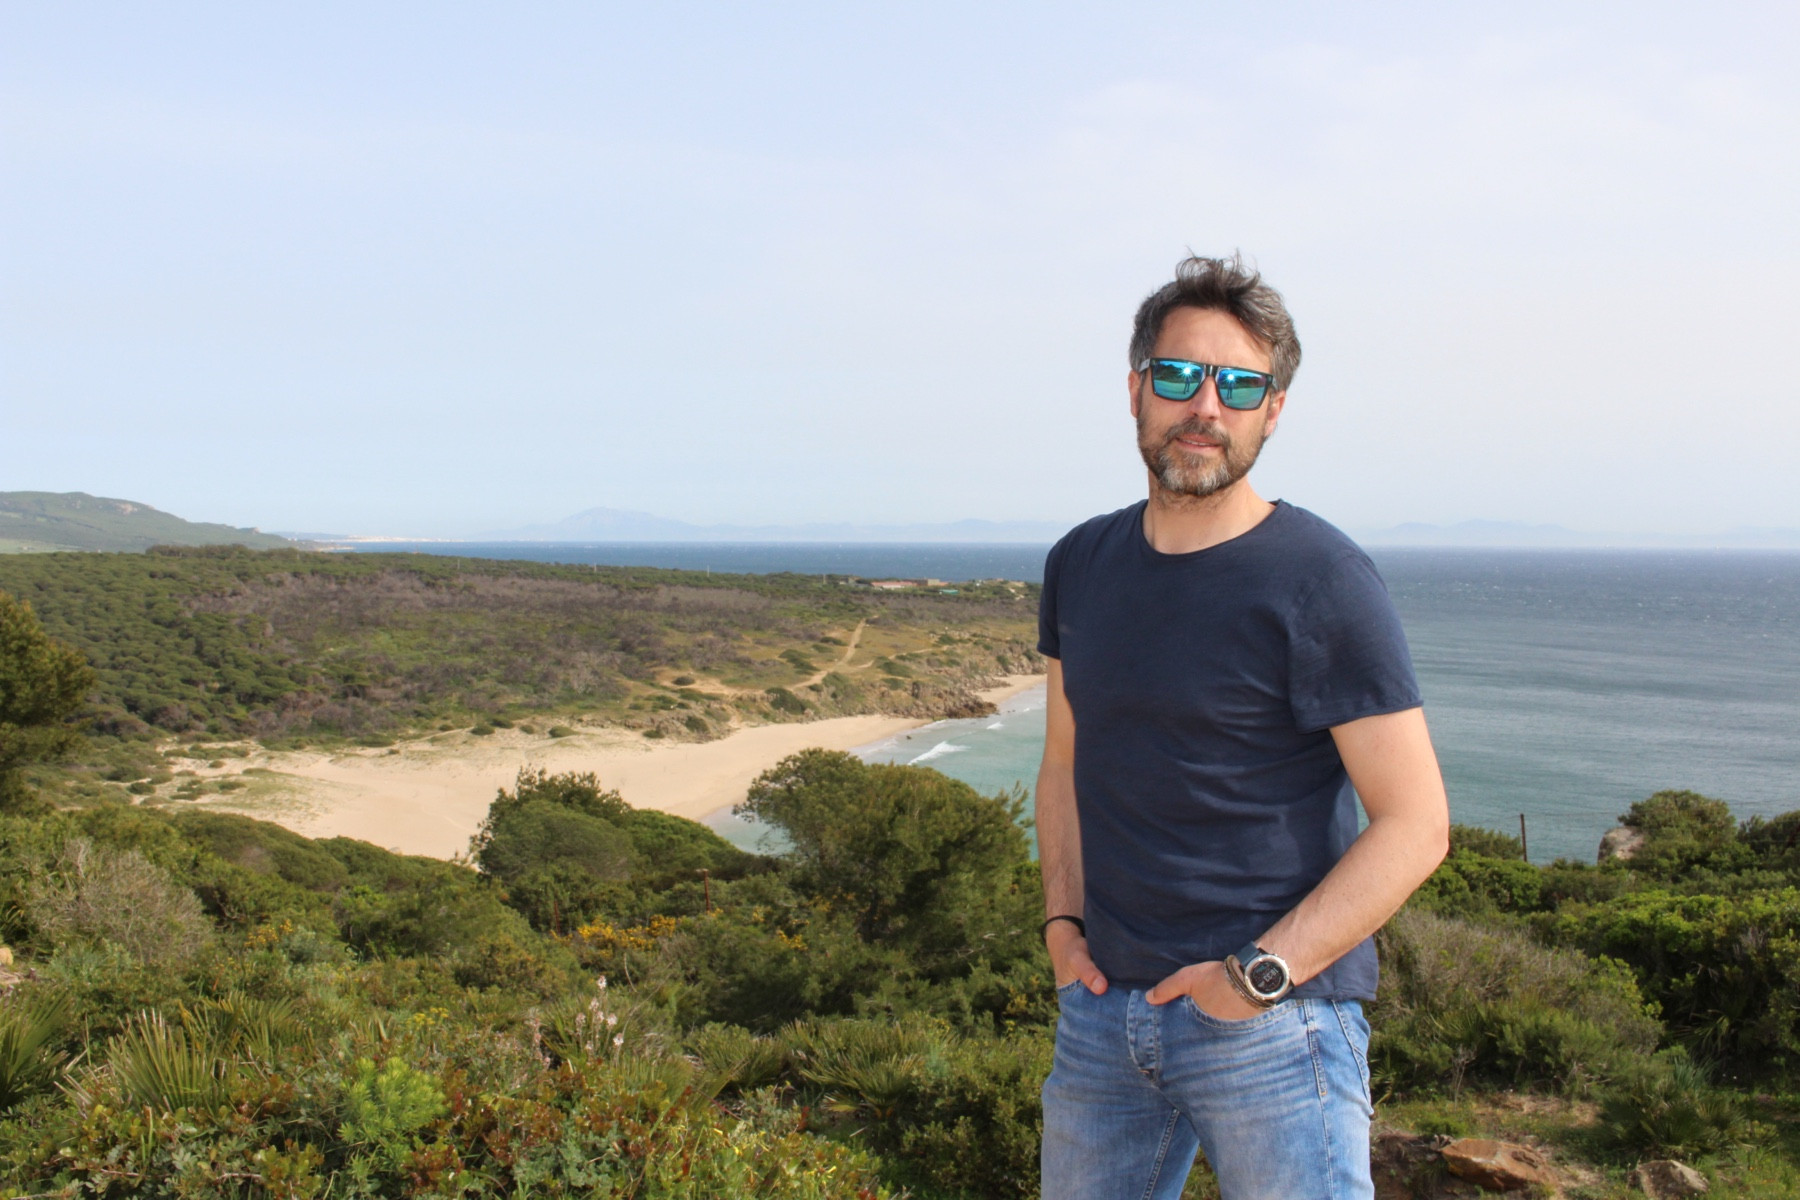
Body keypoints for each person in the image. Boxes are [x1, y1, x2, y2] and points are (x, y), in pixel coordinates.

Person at [1035, 253, 1451, 1200]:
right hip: (1102, 1016)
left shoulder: (1322, 580)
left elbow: (1417, 823)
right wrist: (1063, 927)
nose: (1205, 407)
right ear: (1136, 389)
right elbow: (1063, 764)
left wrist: (1258, 976)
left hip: (1274, 1024)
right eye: (1180, 375)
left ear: (1274, 409)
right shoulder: (1080, 564)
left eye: (1239, 385)